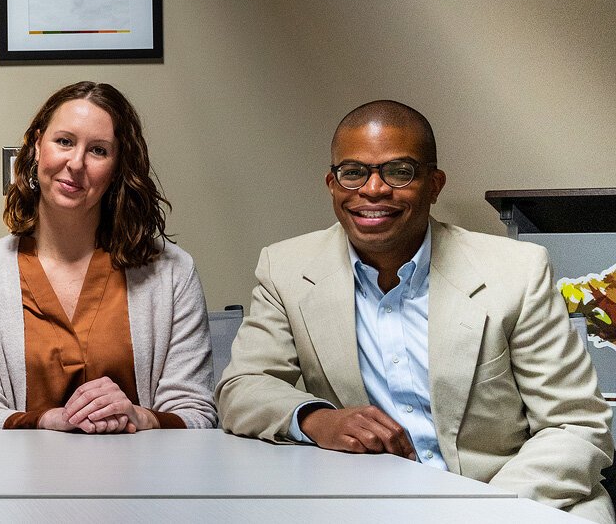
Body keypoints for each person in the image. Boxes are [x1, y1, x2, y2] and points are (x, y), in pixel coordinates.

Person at [216, 100, 613, 521]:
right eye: (353, 172)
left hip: (512, 498)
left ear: (434, 184)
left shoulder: (516, 271)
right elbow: (243, 386)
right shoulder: (287, 268)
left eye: (399, 171)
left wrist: (481, 512)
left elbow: (575, 425)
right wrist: (317, 419)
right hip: (368, 505)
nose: (373, 190)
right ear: (332, 184)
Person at [0, 81, 217, 433]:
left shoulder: (173, 272)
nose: (76, 163)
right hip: (19, 482)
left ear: (118, 167)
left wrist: (141, 416)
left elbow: (197, 412)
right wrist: (48, 420)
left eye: (99, 151)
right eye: (65, 142)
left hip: (145, 481)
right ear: (38, 145)